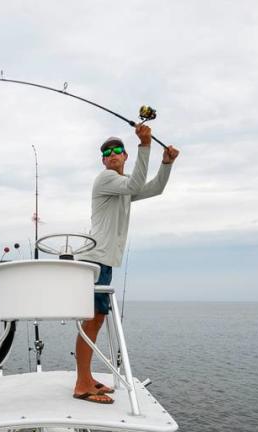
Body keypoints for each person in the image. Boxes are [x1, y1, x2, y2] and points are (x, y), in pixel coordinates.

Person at [73, 124, 179, 403]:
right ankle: (82, 384)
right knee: (91, 322)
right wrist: (145, 145)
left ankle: (86, 377)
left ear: (125, 156)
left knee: (96, 321)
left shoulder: (122, 187)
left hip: (102, 261)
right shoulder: (106, 179)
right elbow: (134, 184)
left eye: (118, 150)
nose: (112, 154)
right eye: (107, 152)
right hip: (94, 261)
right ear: (103, 160)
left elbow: (153, 188)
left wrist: (165, 163)